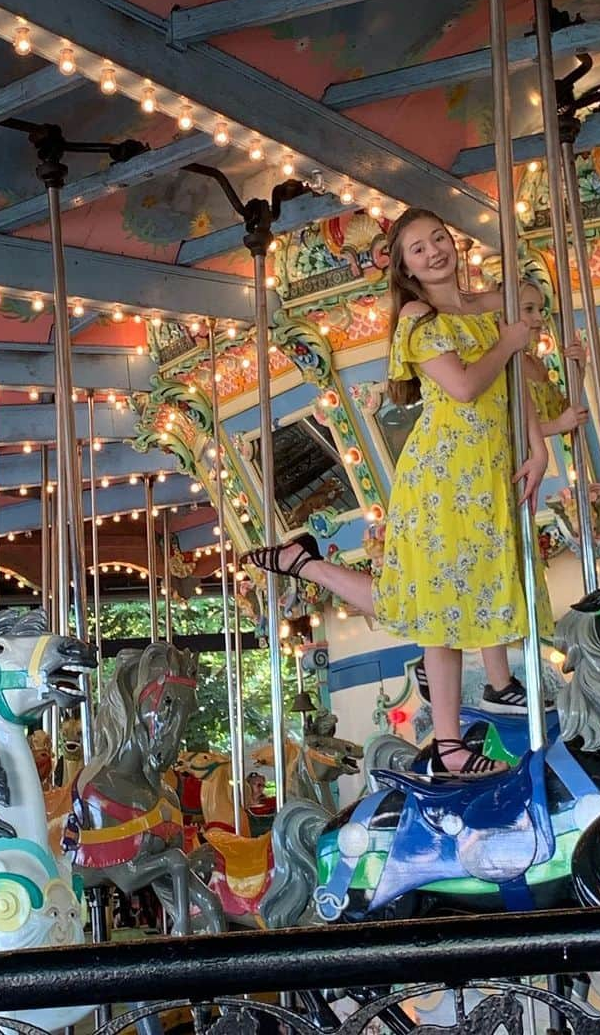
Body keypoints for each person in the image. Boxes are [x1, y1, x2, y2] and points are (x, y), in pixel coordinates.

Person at [243, 207, 552, 776]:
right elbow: (462, 387)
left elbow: (514, 375)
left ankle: (306, 565)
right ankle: (451, 744)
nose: (434, 252)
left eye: (440, 238)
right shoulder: (417, 315)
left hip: (485, 470)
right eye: (418, 248)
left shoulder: (482, 307)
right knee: (440, 606)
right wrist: (510, 340)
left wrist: (538, 446)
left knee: (453, 595)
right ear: (403, 267)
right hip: (442, 474)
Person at [519, 281, 590, 439]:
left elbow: (562, 415)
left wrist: (579, 372)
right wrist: (557, 425)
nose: (539, 318)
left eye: (540, 310)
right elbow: (505, 430)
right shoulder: (499, 365)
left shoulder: (537, 364)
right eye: (529, 309)